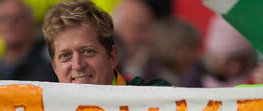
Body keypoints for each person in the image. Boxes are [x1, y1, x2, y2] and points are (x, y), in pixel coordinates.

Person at [42, 0, 170, 86]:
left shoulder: (157, 100)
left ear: (112, 57)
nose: (77, 65)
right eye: (65, 56)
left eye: (88, 52)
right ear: (54, 67)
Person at [0, 0, 56, 82]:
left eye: (17, 18)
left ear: (32, 26)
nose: (10, 23)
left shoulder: (49, 73)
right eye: (4, 18)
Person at [112, 0, 154, 81]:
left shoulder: (160, 72)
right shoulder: (101, 72)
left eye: (150, 29)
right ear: (118, 30)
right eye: (139, 28)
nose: (148, 37)